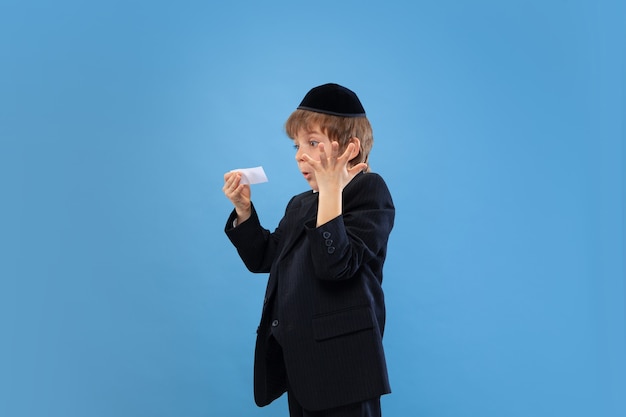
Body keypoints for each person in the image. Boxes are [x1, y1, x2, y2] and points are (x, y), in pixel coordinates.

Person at [222, 83, 395, 417]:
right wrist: (244, 213)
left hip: (344, 366)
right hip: (301, 363)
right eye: (296, 145)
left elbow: (336, 265)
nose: (299, 154)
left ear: (349, 147)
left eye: (312, 143)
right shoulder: (301, 204)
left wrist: (332, 190)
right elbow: (266, 258)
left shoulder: (370, 192)